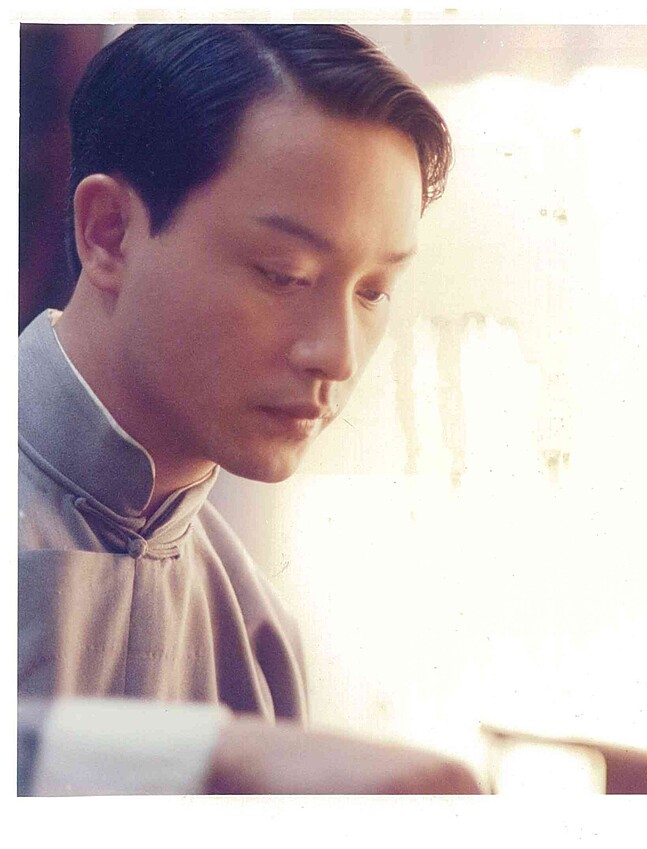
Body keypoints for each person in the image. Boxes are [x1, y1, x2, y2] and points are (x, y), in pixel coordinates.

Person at [18, 23, 479, 794]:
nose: (338, 355)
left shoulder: (258, 628)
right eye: (284, 273)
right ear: (110, 234)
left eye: (372, 291)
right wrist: (211, 757)